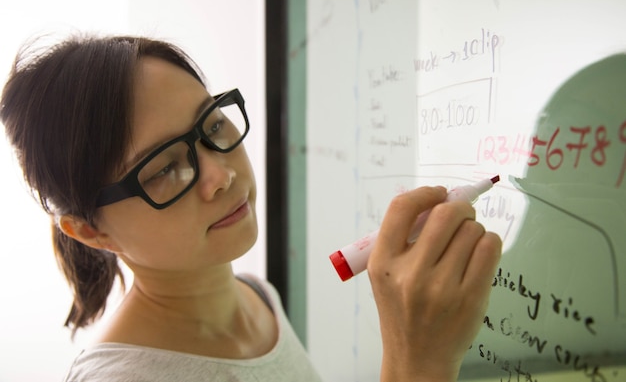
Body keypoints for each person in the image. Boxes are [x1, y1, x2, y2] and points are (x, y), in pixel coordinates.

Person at [0, 34, 502, 382]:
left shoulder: (256, 297)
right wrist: (417, 365)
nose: (221, 175)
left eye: (213, 126)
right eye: (162, 169)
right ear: (90, 231)